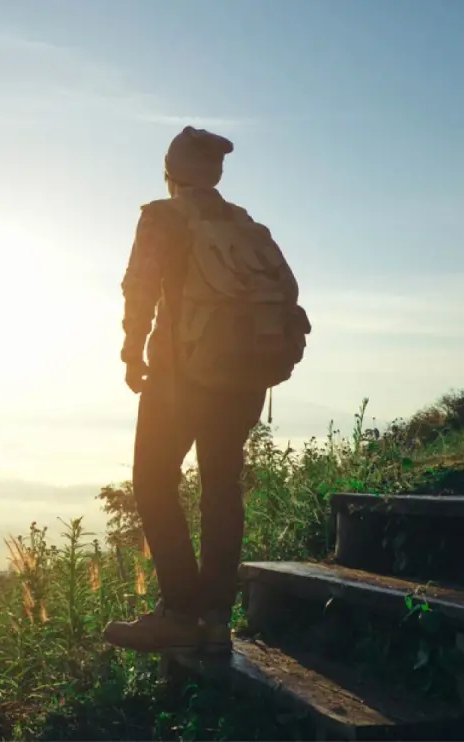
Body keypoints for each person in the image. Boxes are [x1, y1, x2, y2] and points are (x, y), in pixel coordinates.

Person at [103, 126, 308, 659]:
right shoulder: (243, 223)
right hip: (244, 376)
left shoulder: (162, 217)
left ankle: (178, 613)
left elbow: (139, 287)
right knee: (221, 485)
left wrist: (131, 352)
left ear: (170, 174)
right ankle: (215, 618)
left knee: (153, 480)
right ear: (215, 174)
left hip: (181, 376)